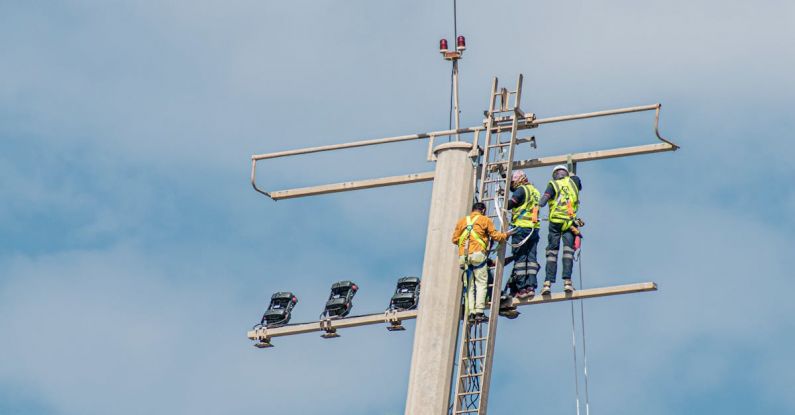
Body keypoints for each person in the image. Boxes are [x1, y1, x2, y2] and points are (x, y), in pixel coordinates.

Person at [451, 202, 508, 322]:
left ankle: (471, 313)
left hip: (464, 257)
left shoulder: (462, 221)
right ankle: (479, 312)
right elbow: (496, 236)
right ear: (483, 210)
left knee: (469, 287)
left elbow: (455, 239)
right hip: (478, 255)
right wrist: (505, 235)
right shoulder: (484, 220)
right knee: (481, 284)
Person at [539, 165, 582, 294]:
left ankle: (547, 283)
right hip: (569, 223)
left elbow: (544, 200)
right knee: (568, 252)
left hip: (555, 223)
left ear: (555, 174)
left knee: (552, 253)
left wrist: (536, 207)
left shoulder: (553, 184)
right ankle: (567, 282)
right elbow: (578, 182)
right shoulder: (574, 182)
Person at [504, 170, 541, 299]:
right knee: (531, 259)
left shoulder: (521, 190)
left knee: (519, 258)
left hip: (521, 229)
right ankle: (530, 287)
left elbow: (510, 204)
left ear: (519, 180)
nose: (513, 185)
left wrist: (502, 199)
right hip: (533, 229)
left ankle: (521, 289)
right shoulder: (535, 191)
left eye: (513, 182)